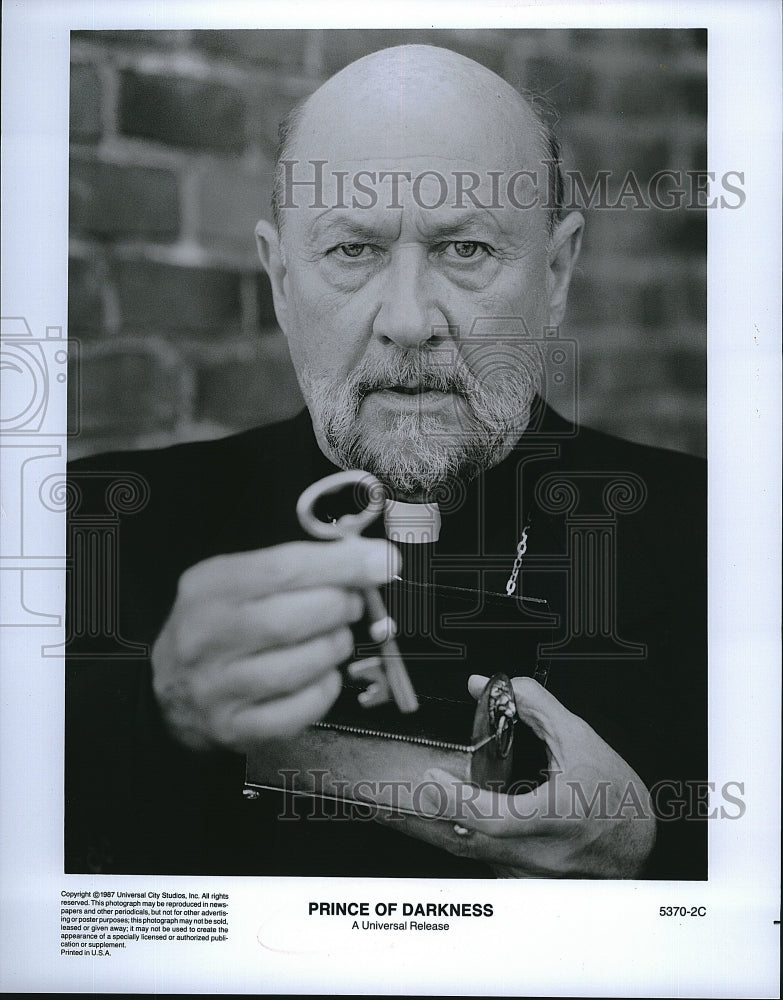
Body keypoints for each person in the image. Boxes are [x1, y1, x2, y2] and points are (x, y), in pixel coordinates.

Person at [65, 44, 706, 879]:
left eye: (467, 249)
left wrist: (651, 851)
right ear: (279, 278)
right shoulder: (96, 537)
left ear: (554, 272)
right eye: (352, 251)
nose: (408, 319)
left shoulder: (724, 542)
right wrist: (161, 714)